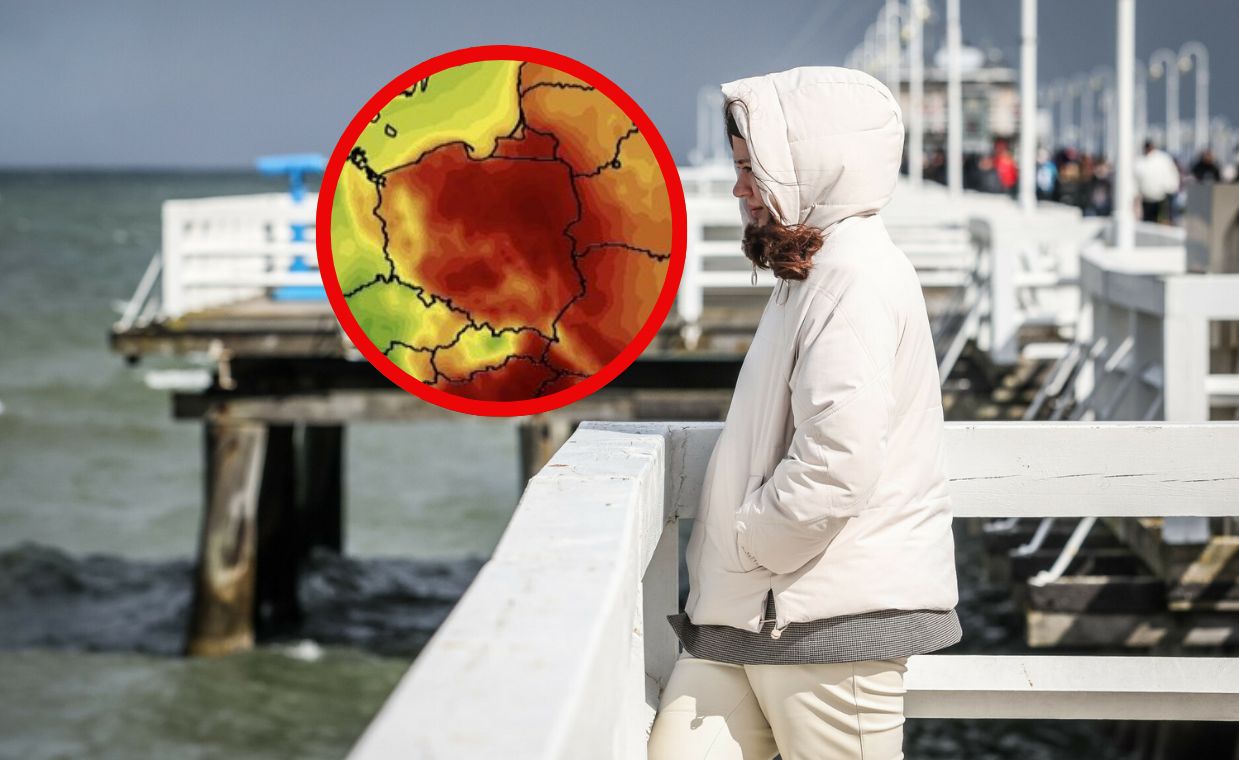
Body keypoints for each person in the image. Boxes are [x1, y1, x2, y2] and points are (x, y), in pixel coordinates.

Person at [647, 66, 962, 760]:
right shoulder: (818, 271)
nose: (737, 190)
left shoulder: (851, 279)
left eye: (749, 169)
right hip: (753, 613)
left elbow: (838, 461)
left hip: (822, 623)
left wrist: (749, 540)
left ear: (807, 166)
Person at [1134, 139, 1181, 223]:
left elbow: (1172, 175)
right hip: (1148, 198)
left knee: (1162, 221)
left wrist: (1171, 189)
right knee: (1151, 221)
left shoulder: (1162, 159)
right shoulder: (1141, 161)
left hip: (1163, 197)